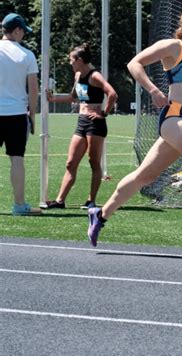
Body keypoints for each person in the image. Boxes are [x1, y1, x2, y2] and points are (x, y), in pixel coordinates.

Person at [87, 5, 182, 252]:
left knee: (145, 176)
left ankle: (100, 215)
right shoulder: (174, 47)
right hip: (174, 117)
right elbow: (134, 64)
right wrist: (153, 90)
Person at [43, 43, 117, 210]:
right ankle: (60, 201)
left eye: (71, 60)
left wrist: (104, 113)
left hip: (95, 124)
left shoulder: (94, 76)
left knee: (93, 162)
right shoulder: (77, 76)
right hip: (81, 122)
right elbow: (73, 98)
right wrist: (53, 99)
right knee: (70, 163)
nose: (70, 63)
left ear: (80, 60)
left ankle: (91, 200)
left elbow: (112, 94)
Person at [0, 13, 42, 215]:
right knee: (17, 158)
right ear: (16, 30)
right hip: (16, 114)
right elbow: (33, 87)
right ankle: (19, 205)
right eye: (23, 31)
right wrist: (31, 114)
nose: (24, 35)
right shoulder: (27, 55)